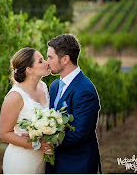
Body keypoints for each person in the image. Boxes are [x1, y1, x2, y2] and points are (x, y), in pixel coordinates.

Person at [45, 34, 102, 173]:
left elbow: (78, 133)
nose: (47, 62)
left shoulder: (85, 90)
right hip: (55, 164)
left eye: (50, 57)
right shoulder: (54, 86)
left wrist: (46, 142)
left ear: (65, 59)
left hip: (77, 165)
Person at [0, 47, 52, 174]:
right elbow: (4, 133)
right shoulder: (15, 96)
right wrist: (36, 144)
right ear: (29, 70)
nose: (46, 63)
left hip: (41, 160)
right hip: (21, 161)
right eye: (40, 61)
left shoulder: (43, 87)